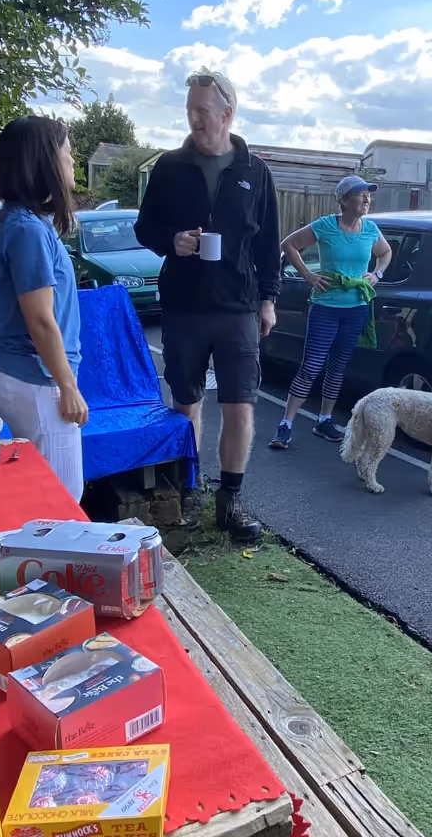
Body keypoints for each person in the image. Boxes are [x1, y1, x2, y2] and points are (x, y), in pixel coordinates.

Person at [135, 68, 281, 545]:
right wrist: (170, 240)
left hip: (238, 306)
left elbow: (269, 245)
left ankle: (230, 500)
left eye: (203, 111)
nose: (195, 119)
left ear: (227, 113)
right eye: (190, 111)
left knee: (240, 407)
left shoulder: (255, 172)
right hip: (183, 304)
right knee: (187, 403)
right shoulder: (169, 166)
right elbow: (144, 229)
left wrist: (268, 300)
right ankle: (191, 493)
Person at [0, 116, 87, 502]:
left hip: (25, 375)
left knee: (39, 492)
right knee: (62, 497)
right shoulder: (27, 229)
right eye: (67, 155)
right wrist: (68, 387)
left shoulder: (21, 222)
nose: (72, 163)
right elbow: (41, 319)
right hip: (38, 381)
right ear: (44, 163)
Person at [270, 176, 392, 449]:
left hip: (357, 307)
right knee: (311, 366)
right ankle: (286, 424)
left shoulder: (370, 229)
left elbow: (385, 253)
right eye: (361, 194)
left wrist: (377, 274)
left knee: (337, 367)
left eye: (368, 195)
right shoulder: (326, 225)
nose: (366, 199)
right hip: (326, 306)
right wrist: (308, 275)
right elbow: (288, 244)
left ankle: (324, 419)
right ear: (344, 199)